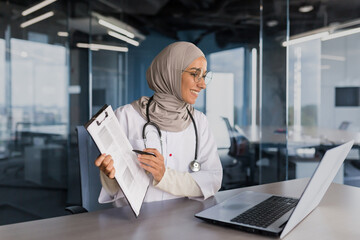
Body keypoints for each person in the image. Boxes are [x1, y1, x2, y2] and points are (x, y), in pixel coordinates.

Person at [95, 41, 222, 206]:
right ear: (170, 73)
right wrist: (108, 175)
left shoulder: (200, 122)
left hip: (185, 222)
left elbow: (212, 180)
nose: (203, 84)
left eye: (204, 76)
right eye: (195, 74)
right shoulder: (125, 116)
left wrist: (165, 177)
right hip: (134, 225)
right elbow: (113, 188)